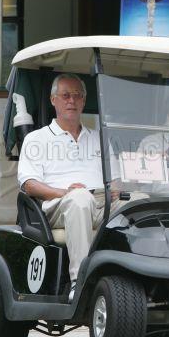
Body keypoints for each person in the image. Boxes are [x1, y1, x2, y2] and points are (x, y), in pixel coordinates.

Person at [17, 73, 119, 302]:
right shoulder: (37, 139)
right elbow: (29, 184)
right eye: (65, 95)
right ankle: (80, 282)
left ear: (84, 101)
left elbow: (116, 180)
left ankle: (138, 280)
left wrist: (116, 190)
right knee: (80, 199)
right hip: (59, 204)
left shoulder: (99, 139)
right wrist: (64, 193)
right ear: (53, 100)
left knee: (140, 202)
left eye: (77, 96)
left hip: (102, 202)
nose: (71, 101)